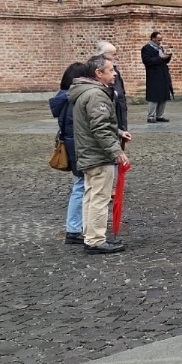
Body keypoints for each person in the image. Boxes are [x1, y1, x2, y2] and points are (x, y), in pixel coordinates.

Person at [69, 53, 131, 254]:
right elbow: (99, 128)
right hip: (98, 155)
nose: (114, 74)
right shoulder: (96, 95)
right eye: (110, 70)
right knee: (99, 198)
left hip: (89, 153)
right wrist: (116, 151)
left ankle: (90, 236)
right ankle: (95, 240)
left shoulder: (85, 92)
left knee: (91, 196)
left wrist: (119, 132)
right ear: (98, 73)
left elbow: (95, 123)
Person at [49, 62, 91, 244]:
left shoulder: (64, 98)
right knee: (81, 185)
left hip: (73, 146)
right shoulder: (72, 100)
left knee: (80, 185)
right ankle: (74, 229)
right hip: (78, 147)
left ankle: (77, 226)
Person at [96, 40, 129, 134]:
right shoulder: (98, 74)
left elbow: (121, 93)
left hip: (120, 119)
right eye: (114, 54)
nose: (117, 58)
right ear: (104, 55)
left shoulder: (116, 72)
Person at [140, 31, 174, 123]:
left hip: (163, 74)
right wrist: (160, 58)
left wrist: (167, 57)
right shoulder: (146, 48)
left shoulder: (160, 48)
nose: (160, 42)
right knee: (154, 97)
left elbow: (163, 61)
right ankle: (151, 116)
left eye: (161, 40)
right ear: (153, 38)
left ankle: (160, 115)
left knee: (163, 96)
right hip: (153, 76)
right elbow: (147, 61)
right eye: (158, 40)